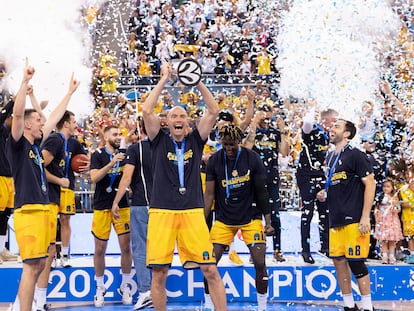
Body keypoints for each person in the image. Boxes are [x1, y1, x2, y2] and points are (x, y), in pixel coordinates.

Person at [142, 61, 227, 311]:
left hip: (192, 212)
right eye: (173, 116)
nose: (178, 119)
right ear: (166, 122)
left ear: (188, 122)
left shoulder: (195, 140)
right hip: (162, 212)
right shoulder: (158, 140)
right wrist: (163, 80)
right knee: (159, 273)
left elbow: (212, 110)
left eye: (182, 116)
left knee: (210, 268)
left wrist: (196, 79)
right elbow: (147, 111)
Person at [6, 59, 80, 311]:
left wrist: (69, 94)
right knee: (31, 266)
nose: (42, 123)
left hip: (40, 209)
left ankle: (19, 305)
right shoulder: (17, 145)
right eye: (37, 120)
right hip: (28, 210)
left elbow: (55, 119)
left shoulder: (35, 147)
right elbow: (17, 114)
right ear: (27, 125)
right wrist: (24, 82)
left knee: (38, 263)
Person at [204, 124, 274, 311]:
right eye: (224, 144)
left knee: (260, 263)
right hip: (224, 220)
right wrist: (204, 225)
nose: (228, 148)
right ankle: (209, 305)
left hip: (251, 218)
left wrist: (268, 221)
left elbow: (262, 192)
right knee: (209, 264)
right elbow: (209, 195)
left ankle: (262, 307)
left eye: (232, 144)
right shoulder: (214, 160)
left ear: (239, 141)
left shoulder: (253, 159)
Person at [317, 119, 376, 311]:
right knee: (339, 261)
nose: (332, 129)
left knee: (356, 262)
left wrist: (366, 216)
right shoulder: (330, 157)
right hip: (335, 218)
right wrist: (325, 193)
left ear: (347, 134)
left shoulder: (356, 155)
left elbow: (371, 183)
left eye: (337, 127)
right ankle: (349, 305)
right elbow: (337, 182)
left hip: (354, 218)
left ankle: (367, 306)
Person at [34, 110, 79, 311]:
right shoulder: (55, 140)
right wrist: (60, 180)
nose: (76, 124)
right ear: (66, 124)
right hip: (49, 198)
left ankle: (39, 299)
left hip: (54, 196)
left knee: (49, 250)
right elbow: (38, 166)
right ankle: (36, 299)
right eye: (74, 121)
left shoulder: (63, 141)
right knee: (47, 250)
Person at [111, 119, 154, 310]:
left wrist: (115, 201)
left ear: (140, 130)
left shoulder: (135, 149)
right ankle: (158, 290)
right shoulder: (166, 147)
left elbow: (126, 177)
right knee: (160, 247)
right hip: (164, 205)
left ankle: (146, 291)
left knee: (140, 247)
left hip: (141, 205)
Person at [89, 125, 133, 307]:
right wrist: (112, 162)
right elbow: (94, 178)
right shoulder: (97, 154)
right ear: (106, 136)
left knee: (126, 248)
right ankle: (100, 288)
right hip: (101, 207)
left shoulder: (126, 156)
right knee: (100, 250)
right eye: (114, 134)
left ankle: (125, 286)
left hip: (122, 206)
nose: (118, 137)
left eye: (119, 135)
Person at [244, 103, 289, 262]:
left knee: (275, 216)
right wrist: (254, 126)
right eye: (262, 115)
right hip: (254, 181)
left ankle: (277, 250)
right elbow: (246, 149)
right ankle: (255, 251)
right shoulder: (252, 132)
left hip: (272, 181)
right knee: (255, 218)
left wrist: (283, 131)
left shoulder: (275, 133)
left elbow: (284, 152)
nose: (265, 119)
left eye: (268, 115)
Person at [296, 108, 337, 263]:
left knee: (324, 212)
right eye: (333, 120)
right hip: (305, 174)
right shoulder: (312, 129)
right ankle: (305, 250)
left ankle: (325, 246)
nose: (335, 124)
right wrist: (313, 109)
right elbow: (306, 124)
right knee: (307, 212)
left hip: (320, 175)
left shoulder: (328, 137)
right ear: (325, 119)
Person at [0, 97, 19, 264]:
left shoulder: (7, 133)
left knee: (5, 215)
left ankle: (1, 250)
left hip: (8, 177)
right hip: (0, 177)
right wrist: (14, 99)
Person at [373, 179, 403, 264]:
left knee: (392, 240)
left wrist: (395, 208)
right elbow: (376, 208)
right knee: (383, 240)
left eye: (388, 186)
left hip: (392, 221)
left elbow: (398, 209)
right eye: (384, 186)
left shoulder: (395, 197)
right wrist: (376, 217)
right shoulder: (380, 196)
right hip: (383, 220)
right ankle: (384, 256)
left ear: (392, 188)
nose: (385, 188)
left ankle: (391, 256)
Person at [398, 164, 414, 264]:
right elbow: (399, 202)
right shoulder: (401, 187)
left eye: (410, 174)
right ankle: (412, 254)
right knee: (410, 237)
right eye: (406, 174)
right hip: (407, 217)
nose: (408, 176)